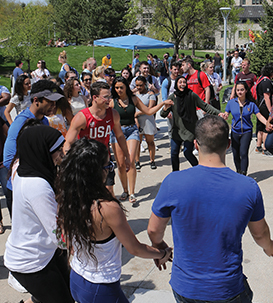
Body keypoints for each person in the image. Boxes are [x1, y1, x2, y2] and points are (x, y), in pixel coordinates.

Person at [147, 115, 273, 303]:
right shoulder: (248, 187)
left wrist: (160, 247)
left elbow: (153, 229)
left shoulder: (173, 182)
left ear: (195, 144)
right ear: (228, 144)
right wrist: (271, 247)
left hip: (186, 287)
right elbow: (260, 235)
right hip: (227, 288)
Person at [56, 138, 172, 303]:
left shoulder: (66, 196)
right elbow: (135, 248)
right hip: (102, 288)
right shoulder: (107, 208)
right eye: (108, 166)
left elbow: (68, 242)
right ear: (95, 172)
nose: (110, 171)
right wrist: (162, 253)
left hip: (76, 277)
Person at [4, 124, 74, 303]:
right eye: (57, 149)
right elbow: (60, 238)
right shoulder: (38, 187)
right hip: (31, 262)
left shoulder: (21, 167)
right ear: (43, 151)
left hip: (43, 252)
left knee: (61, 293)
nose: (62, 154)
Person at [3, 80, 61, 218]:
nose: (54, 105)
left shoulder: (44, 121)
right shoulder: (21, 123)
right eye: (50, 101)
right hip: (22, 191)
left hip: (40, 187)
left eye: (55, 101)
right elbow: (8, 159)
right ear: (36, 100)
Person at [64, 81, 131, 197]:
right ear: (95, 97)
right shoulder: (82, 117)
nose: (110, 99)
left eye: (110, 96)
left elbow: (120, 136)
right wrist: (68, 162)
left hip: (104, 160)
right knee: (89, 195)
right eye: (106, 97)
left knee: (109, 193)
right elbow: (68, 142)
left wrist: (127, 156)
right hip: (86, 161)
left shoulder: (113, 114)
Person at [110, 77, 170, 203]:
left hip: (132, 130)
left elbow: (148, 111)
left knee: (130, 161)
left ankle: (132, 193)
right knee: (120, 164)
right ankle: (125, 190)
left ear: (126, 87)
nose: (119, 90)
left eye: (121, 87)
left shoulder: (134, 99)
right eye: (116, 88)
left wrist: (162, 104)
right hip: (117, 132)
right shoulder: (112, 102)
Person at [160, 76, 223, 171]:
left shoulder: (191, 95)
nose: (182, 84)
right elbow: (163, 114)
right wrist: (165, 108)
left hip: (189, 130)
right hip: (177, 130)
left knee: (187, 153)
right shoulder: (172, 97)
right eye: (180, 82)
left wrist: (218, 113)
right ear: (176, 84)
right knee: (174, 153)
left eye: (184, 82)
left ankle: (199, 170)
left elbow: (205, 106)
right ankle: (175, 173)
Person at [225, 81, 267, 175]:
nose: (239, 92)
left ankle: (243, 173)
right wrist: (224, 116)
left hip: (246, 132)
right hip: (235, 132)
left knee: (243, 153)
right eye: (238, 90)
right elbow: (226, 114)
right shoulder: (231, 103)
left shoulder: (251, 104)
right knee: (235, 154)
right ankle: (238, 171)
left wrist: (267, 123)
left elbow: (259, 116)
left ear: (246, 91)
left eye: (242, 90)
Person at [134, 76, 162, 170]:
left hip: (148, 120)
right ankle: (137, 160)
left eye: (140, 85)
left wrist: (138, 113)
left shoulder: (150, 94)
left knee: (150, 142)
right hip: (137, 120)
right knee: (137, 142)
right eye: (137, 85)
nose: (138, 87)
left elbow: (150, 109)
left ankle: (152, 160)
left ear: (145, 84)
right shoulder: (134, 95)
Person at [255, 63, 273, 155]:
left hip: (260, 106)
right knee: (266, 127)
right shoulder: (266, 82)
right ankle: (265, 148)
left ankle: (258, 145)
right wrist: (271, 110)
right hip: (265, 107)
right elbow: (266, 97)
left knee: (260, 126)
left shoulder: (261, 79)